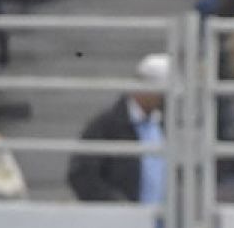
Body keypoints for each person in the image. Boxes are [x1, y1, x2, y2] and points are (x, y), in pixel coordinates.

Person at [67, 54, 170, 203]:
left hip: (161, 220)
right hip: (123, 221)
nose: (165, 99)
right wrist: (115, 204)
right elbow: (81, 174)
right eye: (162, 93)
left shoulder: (162, 123)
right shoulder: (107, 125)